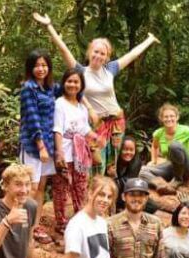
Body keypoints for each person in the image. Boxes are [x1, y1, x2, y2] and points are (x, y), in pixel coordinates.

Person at [34, 12, 159, 173]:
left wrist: (149, 40)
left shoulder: (110, 69)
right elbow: (63, 49)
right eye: (96, 51)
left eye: (103, 53)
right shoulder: (80, 71)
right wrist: (48, 25)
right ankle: (93, 195)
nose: (98, 56)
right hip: (95, 124)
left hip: (116, 122)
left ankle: (111, 194)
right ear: (90, 52)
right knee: (96, 163)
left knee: (113, 164)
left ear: (107, 57)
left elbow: (132, 54)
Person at [52, 67, 101, 235]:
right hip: (65, 151)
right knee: (62, 188)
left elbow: (84, 129)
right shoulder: (59, 104)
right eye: (69, 81)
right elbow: (57, 129)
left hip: (80, 154)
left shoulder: (81, 107)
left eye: (76, 82)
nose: (72, 85)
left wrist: (98, 138)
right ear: (64, 83)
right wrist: (59, 153)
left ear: (81, 85)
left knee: (80, 186)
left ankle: (81, 218)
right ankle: (61, 223)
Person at [19, 49, 58, 244]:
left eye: (44, 65)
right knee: (30, 187)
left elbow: (75, 86)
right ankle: (22, 227)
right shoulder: (29, 88)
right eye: (37, 65)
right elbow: (32, 119)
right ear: (30, 68)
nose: (41, 69)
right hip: (34, 146)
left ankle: (35, 227)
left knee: (42, 186)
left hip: (50, 145)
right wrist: (40, 146)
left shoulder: (51, 88)